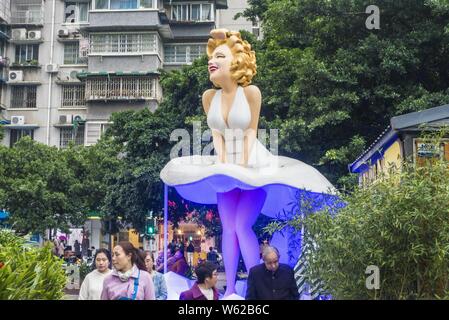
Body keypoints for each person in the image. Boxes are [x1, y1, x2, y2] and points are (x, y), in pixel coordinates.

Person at [160, 29, 335, 296]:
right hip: (223, 166)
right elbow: (217, 135)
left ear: (236, 62)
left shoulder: (251, 93)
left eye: (220, 55)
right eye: (212, 56)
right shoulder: (210, 97)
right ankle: (231, 289)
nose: (212, 61)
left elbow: (251, 131)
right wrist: (223, 166)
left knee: (242, 224)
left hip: (253, 164)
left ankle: (257, 287)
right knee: (228, 228)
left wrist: (240, 168)